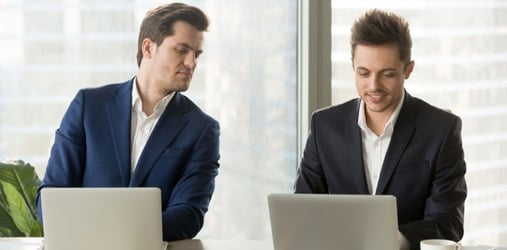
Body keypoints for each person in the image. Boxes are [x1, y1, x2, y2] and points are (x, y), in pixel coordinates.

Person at [36, 2, 220, 241]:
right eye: (181, 50)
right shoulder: (88, 106)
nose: (192, 62)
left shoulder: (202, 129)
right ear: (148, 48)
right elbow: (51, 196)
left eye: (196, 54)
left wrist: (115, 231)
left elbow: (189, 213)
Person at [294, 9, 466, 250]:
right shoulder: (324, 126)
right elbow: (303, 209)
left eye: (387, 74)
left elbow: (449, 222)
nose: (373, 86)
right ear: (353, 65)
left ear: (408, 69)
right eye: (363, 73)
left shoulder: (441, 130)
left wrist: (392, 239)